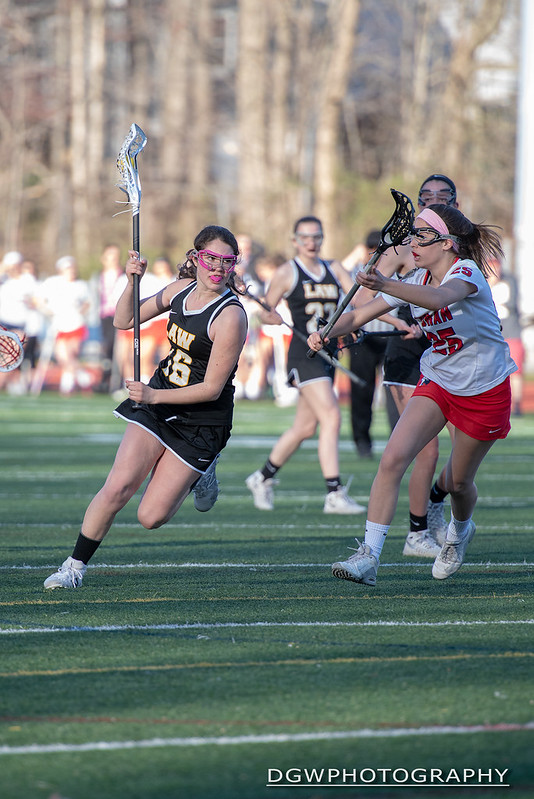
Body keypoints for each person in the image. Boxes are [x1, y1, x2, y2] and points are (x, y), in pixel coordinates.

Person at [308, 204, 517, 585]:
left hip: (485, 389)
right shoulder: (417, 276)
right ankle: (368, 557)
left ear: (448, 243)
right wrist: (328, 330)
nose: (413, 243)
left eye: (422, 235)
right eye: (413, 235)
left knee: (457, 483)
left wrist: (384, 283)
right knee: (392, 458)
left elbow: (439, 300)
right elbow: (358, 316)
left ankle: (460, 530)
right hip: (437, 379)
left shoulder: (465, 272)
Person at [43, 225, 248, 589]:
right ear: (195, 258)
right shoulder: (178, 291)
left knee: (150, 517)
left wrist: (152, 396)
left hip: (202, 421)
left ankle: (202, 472)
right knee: (117, 487)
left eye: (226, 261)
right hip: (158, 401)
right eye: (210, 258)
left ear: (234, 265)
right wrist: (131, 281)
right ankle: (73, 567)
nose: (217, 267)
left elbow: (212, 389)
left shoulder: (231, 316)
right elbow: (124, 321)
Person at [352, 174, 460, 558]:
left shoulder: (461, 252)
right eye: (425, 197)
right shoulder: (404, 248)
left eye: (441, 197)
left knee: (461, 458)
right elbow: (366, 297)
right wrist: (402, 322)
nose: (432, 202)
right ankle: (416, 533)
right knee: (424, 451)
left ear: (455, 204)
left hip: (451, 358)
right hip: (408, 354)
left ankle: (434, 500)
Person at [246, 215, 374, 515]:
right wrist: (271, 317)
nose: (311, 242)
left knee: (304, 427)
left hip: (329, 353)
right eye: (304, 237)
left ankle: (262, 477)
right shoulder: (287, 272)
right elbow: (266, 309)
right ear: (294, 240)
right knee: (331, 416)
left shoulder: (335, 268)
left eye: (316, 236)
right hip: (304, 355)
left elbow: (360, 300)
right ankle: (334, 493)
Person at [342, 230, 401, 458]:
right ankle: (362, 442)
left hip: (391, 337)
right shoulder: (355, 271)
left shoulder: (395, 271)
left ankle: (397, 442)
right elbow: (347, 298)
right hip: (363, 339)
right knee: (361, 391)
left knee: (395, 391)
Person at [38, 255, 91, 395]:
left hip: (76, 325)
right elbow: (39, 299)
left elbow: (87, 303)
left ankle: (66, 387)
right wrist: (46, 310)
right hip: (59, 326)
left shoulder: (80, 286)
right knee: (63, 357)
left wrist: (80, 312)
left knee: (70, 355)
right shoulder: (52, 283)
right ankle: (84, 379)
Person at [487, 256, 525, 417]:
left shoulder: (509, 281)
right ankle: (492, 404)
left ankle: (516, 405)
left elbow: (510, 303)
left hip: (511, 331)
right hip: (492, 334)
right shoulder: (482, 281)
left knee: (515, 371)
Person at [94, 243, 124, 394]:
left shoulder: (122, 274)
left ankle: (118, 382)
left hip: (118, 314)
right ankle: (105, 380)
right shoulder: (99, 276)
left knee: (118, 348)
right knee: (106, 348)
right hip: (104, 316)